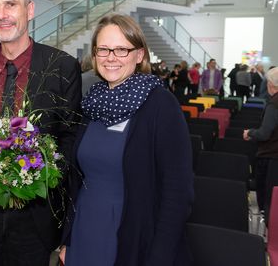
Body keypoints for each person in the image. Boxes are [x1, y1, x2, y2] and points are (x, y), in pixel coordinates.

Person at [60, 14, 193, 266]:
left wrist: (159, 256)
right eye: (104, 49)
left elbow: (178, 193)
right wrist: (68, 239)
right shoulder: (90, 103)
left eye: (122, 49)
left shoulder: (160, 105)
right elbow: (76, 179)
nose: (111, 57)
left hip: (135, 235)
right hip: (85, 229)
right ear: (95, 54)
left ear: (139, 54)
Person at [0, 0, 82, 266]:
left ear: (29, 10)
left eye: (10, 4)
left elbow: (70, 139)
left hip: (36, 215)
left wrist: (41, 176)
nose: (1, 14)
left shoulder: (61, 66)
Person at [243, 67, 278, 212]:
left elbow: (264, 133)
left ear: (270, 84)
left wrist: (249, 132)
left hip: (271, 158)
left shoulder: (274, 104)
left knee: (268, 203)